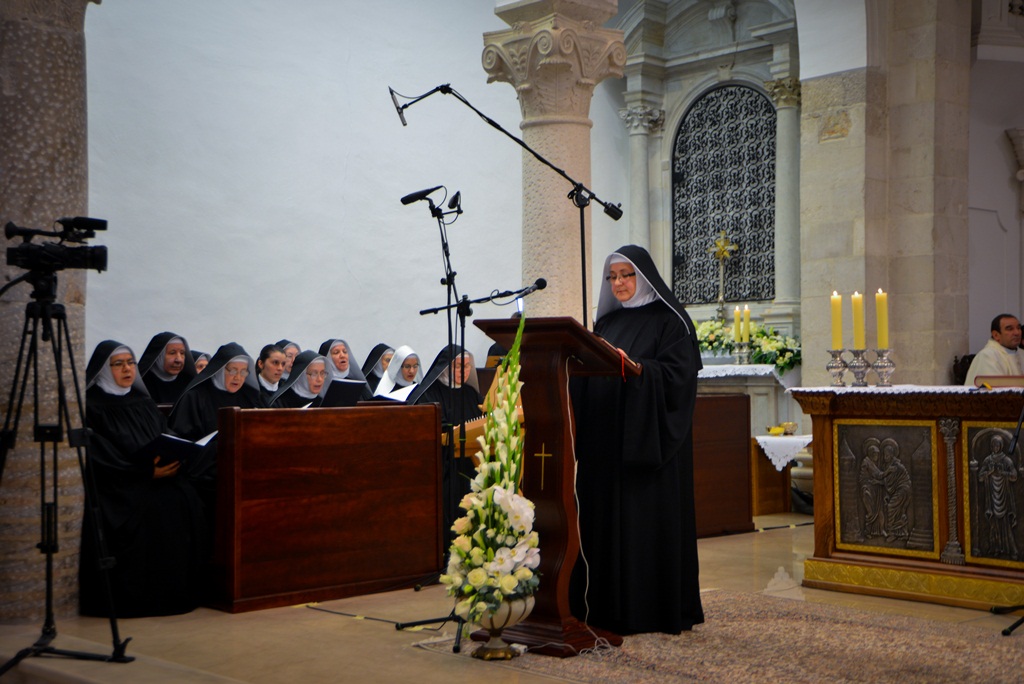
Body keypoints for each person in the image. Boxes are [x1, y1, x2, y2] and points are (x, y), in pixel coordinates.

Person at [570, 244, 704, 635]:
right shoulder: (607, 326)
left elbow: (679, 379)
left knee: (643, 526)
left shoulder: (670, 321)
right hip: (606, 443)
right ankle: (602, 606)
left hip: (647, 446)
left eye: (626, 275)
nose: (619, 284)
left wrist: (641, 370)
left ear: (643, 276)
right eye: (613, 277)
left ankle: (651, 610)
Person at [79, 341, 207, 617]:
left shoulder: (143, 402)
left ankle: (177, 592)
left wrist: (178, 455)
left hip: (158, 476)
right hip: (121, 486)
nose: (126, 369)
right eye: (118, 364)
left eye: (130, 363)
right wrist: (145, 473)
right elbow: (99, 456)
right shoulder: (92, 406)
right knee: (159, 508)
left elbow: (165, 433)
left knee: (188, 498)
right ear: (102, 370)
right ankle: (146, 597)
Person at [965, 314, 1024, 386]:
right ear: (996, 335)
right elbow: (996, 392)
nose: (1017, 333)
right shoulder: (988, 356)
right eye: (1010, 329)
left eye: (1018, 328)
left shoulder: (1021, 353)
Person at [138, 332, 197, 404]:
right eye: (172, 353)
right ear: (158, 356)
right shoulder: (142, 385)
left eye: (182, 353)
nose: (179, 360)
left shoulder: (190, 384)